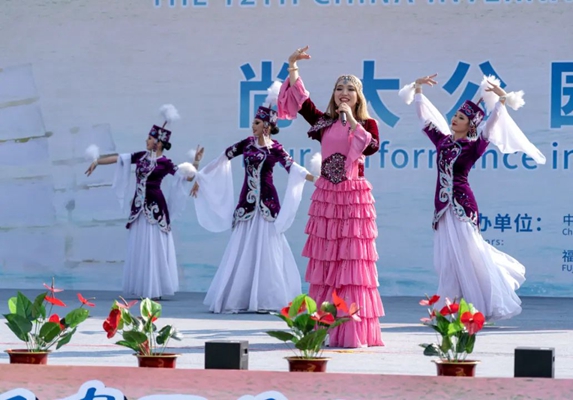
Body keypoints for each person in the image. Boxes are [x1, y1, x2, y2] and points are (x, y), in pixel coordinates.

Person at [399, 73, 546, 321]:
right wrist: (418, 90)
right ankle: (450, 309)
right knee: (448, 261)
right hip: (442, 207)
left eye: (461, 118)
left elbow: (491, 127)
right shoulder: (442, 141)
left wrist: (501, 102)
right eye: (455, 115)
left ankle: (476, 307)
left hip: (463, 206)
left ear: (470, 124)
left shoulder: (474, 146)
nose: (454, 119)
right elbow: (425, 119)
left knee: (470, 256)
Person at [276, 46, 384, 348]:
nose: (344, 93)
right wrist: (292, 66)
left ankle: (350, 330)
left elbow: (371, 146)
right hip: (327, 197)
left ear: (358, 96)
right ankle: (323, 325)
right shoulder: (323, 121)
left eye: (350, 89)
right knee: (327, 259)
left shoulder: (368, 124)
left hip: (353, 197)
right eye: (339, 88)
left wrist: (351, 120)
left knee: (351, 261)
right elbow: (301, 102)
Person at [190, 85, 316, 314]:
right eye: (253, 122)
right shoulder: (246, 144)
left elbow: (293, 167)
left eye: (257, 123)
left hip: (267, 203)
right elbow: (223, 158)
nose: (253, 126)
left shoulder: (276, 149)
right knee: (242, 249)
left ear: (267, 125)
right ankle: (240, 297)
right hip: (247, 203)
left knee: (268, 250)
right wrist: (201, 177)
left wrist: (314, 177)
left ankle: (267, 298)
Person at [85, 105, 199, 300]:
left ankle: (156, 287)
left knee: (154, 245)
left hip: (155, 207)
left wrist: (195, 163)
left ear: (159, 143)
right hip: (138, 206)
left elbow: (185, 177)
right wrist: (97, 161)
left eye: (150, 138)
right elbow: (119, 158)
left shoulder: (165, 163)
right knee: (140, 245)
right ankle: (143, 286)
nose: (146, 140)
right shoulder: (141, 156)